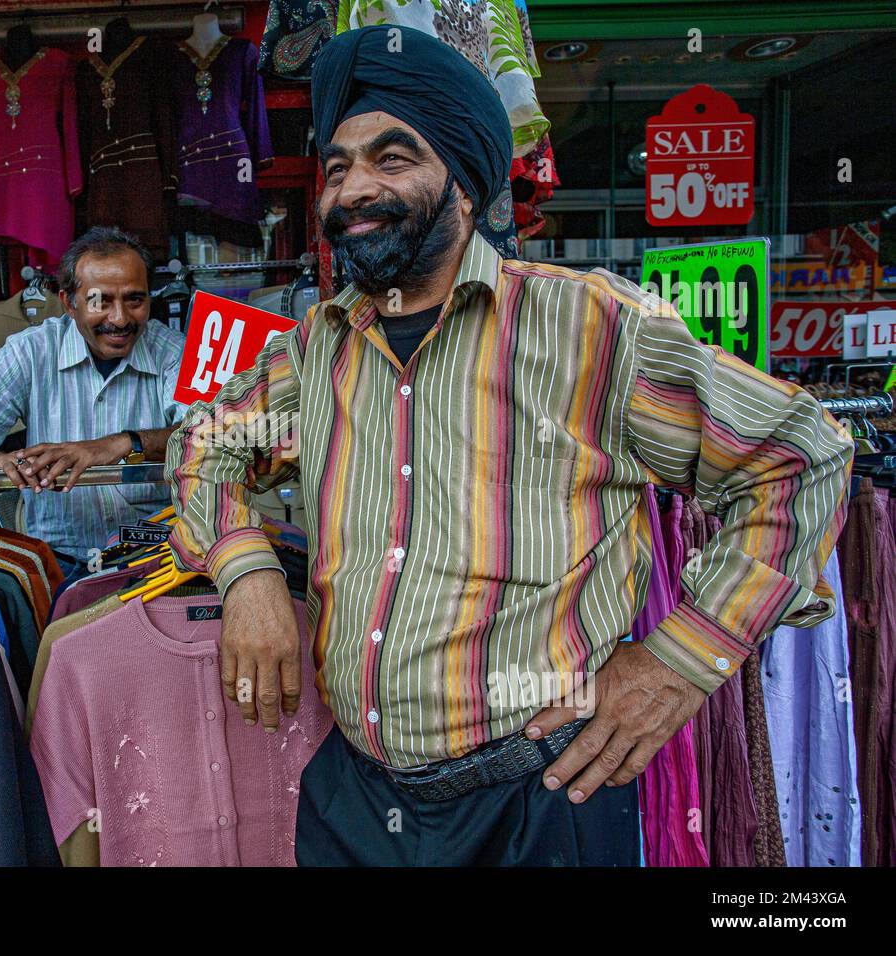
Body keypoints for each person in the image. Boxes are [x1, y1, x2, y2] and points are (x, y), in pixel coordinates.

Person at [164, 26, 854, 866]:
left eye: (392, 159)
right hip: (355, 797)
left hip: (537, 803)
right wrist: (248, 573)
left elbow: (800, 457)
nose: (353, 189)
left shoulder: (592, 327)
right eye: (337, 167)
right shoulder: (318, 348)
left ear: (464, 187)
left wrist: (678, 663)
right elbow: (208, 443)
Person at [0, 226, 186, 562]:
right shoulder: (32, 351)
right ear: (69, 304)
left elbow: (211, 433)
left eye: (135, 300)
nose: (120, 319)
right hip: (59, 561)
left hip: (159, 561)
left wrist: (121, 444)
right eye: (100, 301)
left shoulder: (173, 352)